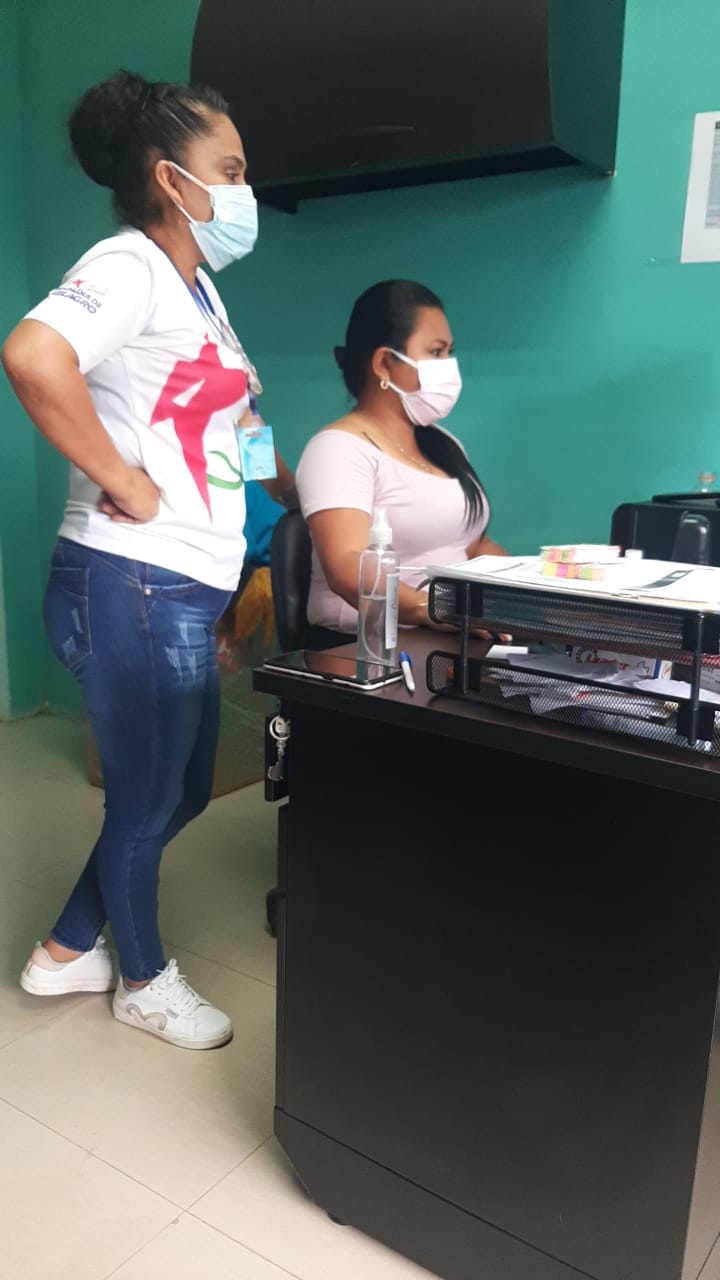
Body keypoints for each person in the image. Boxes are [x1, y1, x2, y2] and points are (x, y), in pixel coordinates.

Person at [2, 70, 295, 1050]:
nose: (245, 189)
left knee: (178, 789)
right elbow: (33, 355)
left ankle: (65, 948)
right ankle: (141, 979)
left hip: (180, 587)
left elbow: (236, 431)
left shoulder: (198, 290)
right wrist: (120, 477)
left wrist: (289, 499)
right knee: (145, 796)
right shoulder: (126, 264)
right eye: (231, 170)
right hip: (128, 577)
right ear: (172, 178)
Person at [295, 280, 506, 643]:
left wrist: (539, 589)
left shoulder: (445, 444)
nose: (448, 366)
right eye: (436, 352)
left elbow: (473, 546)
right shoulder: (337, 449)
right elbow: (346, 566)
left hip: (451, 635)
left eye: (450, 352)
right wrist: (435, 609)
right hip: (367, 647)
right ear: (383, 363)